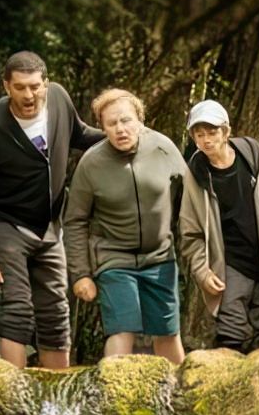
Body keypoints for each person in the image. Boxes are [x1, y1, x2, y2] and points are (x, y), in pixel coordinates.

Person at [0, 51, 104, 370]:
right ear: (6, 87)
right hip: (4, 225)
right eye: (21, 87)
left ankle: (56, 402)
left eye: (35, 86)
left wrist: (123, 137)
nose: (29, 95)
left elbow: (80, 134)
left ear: (46, 84)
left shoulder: (59, 101)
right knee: (17, 307)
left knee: (55, 311)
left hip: (50, 226)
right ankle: (14, 396)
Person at [63, 89, 193, 364]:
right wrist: (81, 274)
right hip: (114, 259)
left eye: (126, 121)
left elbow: (192, 201)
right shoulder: (91, 163)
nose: (120, 129)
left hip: (160, 257)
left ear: (140, 120)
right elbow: (75, 221)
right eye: (112, 124)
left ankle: (180, 399)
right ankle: (114, 398)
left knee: (168, 334)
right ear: (103, 127)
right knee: (123, 330)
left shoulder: (163, 148)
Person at [179, 99, 259, 352]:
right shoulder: (196, 173)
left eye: (212, 132)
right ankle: (230, 388)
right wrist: (202, 271)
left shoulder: (250, 155)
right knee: (231, 332)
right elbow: (191, 233)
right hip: (229, 264)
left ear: (226, 132)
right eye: (200, 134)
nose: (206, 140)